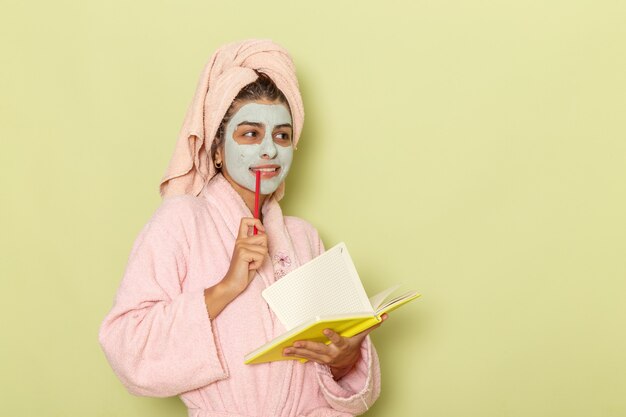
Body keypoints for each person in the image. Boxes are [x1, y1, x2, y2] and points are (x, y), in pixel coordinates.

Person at [99, 39, 384, 417]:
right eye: (250, 134)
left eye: (281, 136)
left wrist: (343, 361)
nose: (269, 150)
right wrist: (226, 287)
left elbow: (334, 371)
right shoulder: (180, 221)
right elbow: (127, 348)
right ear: (217, 149)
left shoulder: (303, 237)